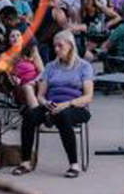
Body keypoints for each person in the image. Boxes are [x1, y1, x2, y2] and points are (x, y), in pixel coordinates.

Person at [13, 30, 93, 178]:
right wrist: (46, 103)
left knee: (62, 115)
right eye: (54, 46)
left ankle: (74, 165)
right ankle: (25, 162)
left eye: (60, 46)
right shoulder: (50, 67)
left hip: (76, 107)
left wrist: (66, 104)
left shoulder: (84, 66)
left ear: (70, 45)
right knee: (29, 115)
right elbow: (41, 95)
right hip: (52, 105)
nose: (56, 49)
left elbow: (88, 97)